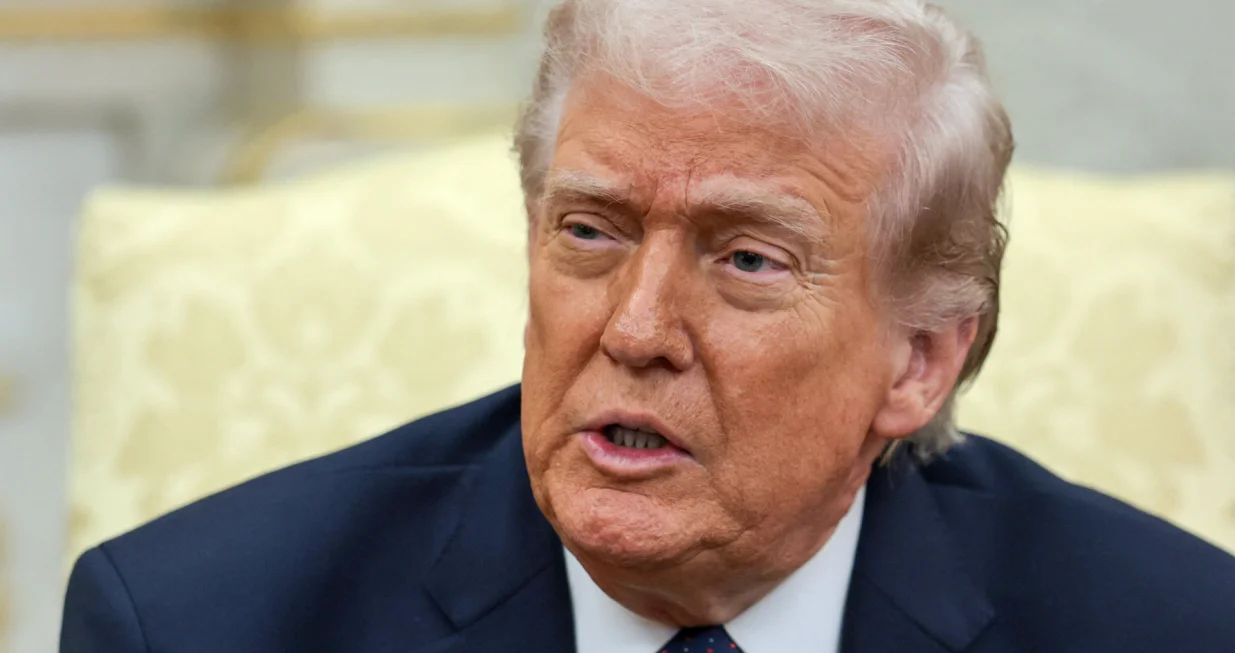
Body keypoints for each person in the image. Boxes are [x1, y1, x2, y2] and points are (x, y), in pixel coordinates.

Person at [60, 1, 1235, 651]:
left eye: (745, 258)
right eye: (589, 231)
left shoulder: (1170, 628)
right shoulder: (199, 622)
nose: (634, 328)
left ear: (919, 360)